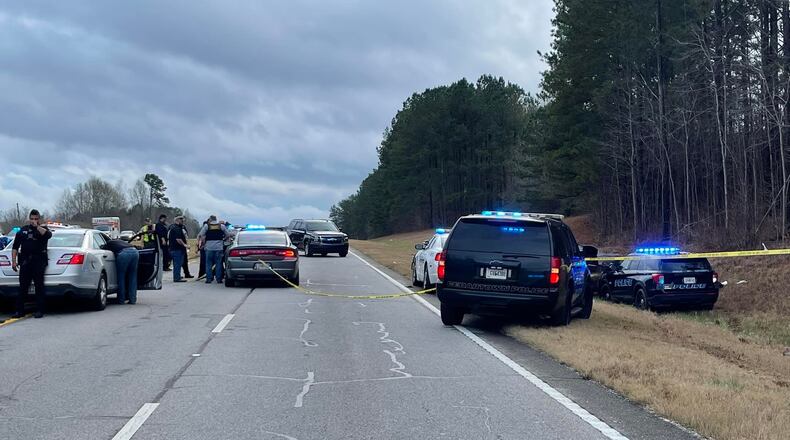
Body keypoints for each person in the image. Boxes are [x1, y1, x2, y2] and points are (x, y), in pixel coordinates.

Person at [10, 210, 52, 319]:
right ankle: (19, 311)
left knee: (39, 286)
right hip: (25, 261)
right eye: (32, 219)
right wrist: (13, 261)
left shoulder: (43, 229)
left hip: (39, 261)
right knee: (23, 287)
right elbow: (15, 247)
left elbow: (48, 235)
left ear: (39, 219)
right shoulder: (23, 230)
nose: (34, 221)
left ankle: (40, 310)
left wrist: (37, 226)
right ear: (29, 219)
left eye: (36, 219)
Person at [102, 239, 140, 304]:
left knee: (121, 277)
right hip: (135, 252)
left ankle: (121, 300)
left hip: (124, 254)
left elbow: (103, 251)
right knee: (133, 277)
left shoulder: (108, 243)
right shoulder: (120, 242)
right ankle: (132, 300)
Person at [198, 215, 228, 284]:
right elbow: (228, 234)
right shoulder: (221, 226)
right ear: (216, 219)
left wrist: (204, 242)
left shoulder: (207, 226)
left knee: (208, 263)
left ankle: (208, 279)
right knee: (218, 263)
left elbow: (201, 235)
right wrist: (223, 239)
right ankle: (219, 279)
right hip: (219, 247)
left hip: (209, 248)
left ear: (210, 219)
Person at [168, 216, 188, 283]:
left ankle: (177, 275)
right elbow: (178, 239)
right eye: (181, 220)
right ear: (177, 220)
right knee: (177, 264)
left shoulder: (174, 227)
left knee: (177, 263)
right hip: (177, 249)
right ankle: (177, 278)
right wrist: (185, 245)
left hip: (174, 249)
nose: (182, 221)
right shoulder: (176, 228)